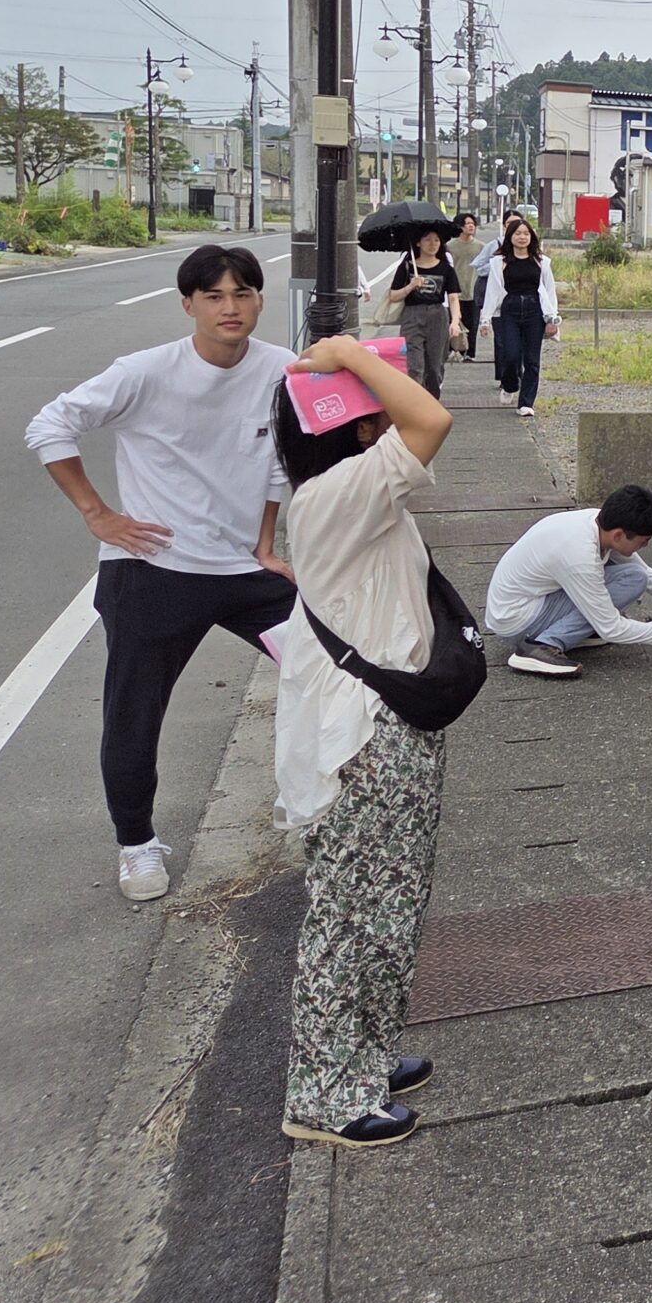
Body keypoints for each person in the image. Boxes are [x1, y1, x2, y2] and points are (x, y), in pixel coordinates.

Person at [26, 244, 297, 902]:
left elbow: (275, 464)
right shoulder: (146, 372)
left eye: (242, 293)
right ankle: (136, 845)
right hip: (153, 571)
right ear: (188, 306)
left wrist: (265, 543)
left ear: (261, 299)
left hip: (243, 571)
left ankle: (304, 795)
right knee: (134, 715)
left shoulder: (283, 370)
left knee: (333, 665)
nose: (229, 307)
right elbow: (50, 425)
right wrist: (98, 514)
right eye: (213, 296)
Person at [268, 332, 454, 1148]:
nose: (384, 423)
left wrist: (353, 365)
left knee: (387, 911)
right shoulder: (336, 495)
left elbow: (415, 425)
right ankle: (324, 1096)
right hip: (361, 743)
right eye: (367, 414)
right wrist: (348, 350)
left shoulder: (347, 490)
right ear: (341, 427)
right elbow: (433, 419)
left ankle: (365, 1057)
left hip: (386, 730)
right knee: (349, 921)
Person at [484, 485, 652, 677]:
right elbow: (611, 628)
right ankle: (539, 645)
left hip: (525, 603)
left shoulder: (597, 522)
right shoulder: (579, 554)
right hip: (516, 620)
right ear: (620, 534)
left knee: (634, 576)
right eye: (643, 540)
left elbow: (643, 572)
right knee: (625, 588)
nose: (646, 545)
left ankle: (572, 631)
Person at [490, 214, 560, 419]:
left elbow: (549, 291)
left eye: (526, 233)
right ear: (510, 236)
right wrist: (486, 318)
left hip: (534, 310)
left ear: (532, 237)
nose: (522, 237)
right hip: (509, 309)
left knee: (532, 359)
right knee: (510, 355)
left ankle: (526, 403)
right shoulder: (500, 262)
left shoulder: (541, 262)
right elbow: (493, 291)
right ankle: (510, 384)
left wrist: (552, 318)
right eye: (518, 233)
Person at [383, 226, 464, 399]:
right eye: (427, 239)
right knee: (414, 366)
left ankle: (432, 400)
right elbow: (393, 296)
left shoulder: (446, 269)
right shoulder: (407, 267)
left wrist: (455, 321)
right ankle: (416, 404)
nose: (432, 243)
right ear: (418, 243)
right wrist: (411, 286)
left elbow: (453, 298)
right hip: (412, 316)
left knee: (435, 366)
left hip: (437, 316)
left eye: (436, 240)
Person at [452, 212, 485, 362]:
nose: (471, 226)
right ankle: (454, 350)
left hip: (473, 290)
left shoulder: (480, 247)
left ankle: (470, 353)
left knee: (473, 323)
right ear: (459, 226)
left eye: (473, 223)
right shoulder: (450, 246)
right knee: (455, 322)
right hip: (455, 291)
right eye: (467, 223)